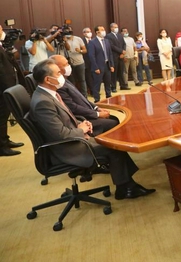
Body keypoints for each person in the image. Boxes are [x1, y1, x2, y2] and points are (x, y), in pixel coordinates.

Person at [29, 59, 155, 200]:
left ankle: (125, 185)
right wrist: (81, 131)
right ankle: (126, 188)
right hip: (67, 148)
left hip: (73, 137)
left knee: (112, 141)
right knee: (113, 147)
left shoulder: (49, 94)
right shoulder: (43, 102)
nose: (62, 74)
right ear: (48, 79)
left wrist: (82, 124)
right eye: (58, 73)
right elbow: (61, 135)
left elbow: (65, 118)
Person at [51, 55, 119, 136]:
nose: (69, 66)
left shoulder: (64, 80)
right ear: (57, 67)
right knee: (114, 122)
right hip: (83, 118)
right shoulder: (58, 86)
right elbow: (73, 107)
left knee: (114, 118)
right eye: (65, 64)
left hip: (89, 112)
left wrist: (96, 108)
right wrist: (97, 114)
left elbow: (82, 98)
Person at [0, 26, 24, 156]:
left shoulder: (2, 45)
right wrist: (7, 89)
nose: (2, 32)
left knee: (3, 118)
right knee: (1, 119)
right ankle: (2, 146)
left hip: (7, 86)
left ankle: (5, 140)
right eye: (0, 30)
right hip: (2, 89)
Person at [87, 25, 115, 103]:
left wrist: (112, 65)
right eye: (102, 30)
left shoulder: (106, 41)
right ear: (97, 32)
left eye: (104, 29)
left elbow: (110, 54)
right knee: (97, 84)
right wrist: (95, 67)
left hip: (107, 65)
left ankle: (109, 97)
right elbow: (91, 56)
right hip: (98, 67)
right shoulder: (92, 42)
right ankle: (97, 99)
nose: (104, 31)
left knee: (108, 82)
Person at [62, 28, 87, 97]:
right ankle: (75, 96)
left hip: (80, 63)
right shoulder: (63, 40)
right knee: (71, 82)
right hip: (69, 64)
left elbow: (85, 50)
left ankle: (84, 96)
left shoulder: (78, 39)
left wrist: (80, 51)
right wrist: (64, 41)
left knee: (82, 80)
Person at [105, 23, 129, 92]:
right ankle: (113, 87)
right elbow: (111, 46)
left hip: (121, 57)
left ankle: (123, 85)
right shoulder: (108, 36)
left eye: (117, 27)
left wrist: (123, 52)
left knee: (121, 72)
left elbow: (124, 44)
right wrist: (121, 51)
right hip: (114, 56)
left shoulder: (120, 35)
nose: (116, 28)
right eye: (115, 27)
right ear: (111, 28)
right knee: (114, 73)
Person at [81, 27, 94, 96]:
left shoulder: (94, 40)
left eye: (90, 31)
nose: (89, 33)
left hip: (94, 62)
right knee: (88, 77)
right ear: (84, 33)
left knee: (94, 77)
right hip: (86, 61)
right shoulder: (82, 41)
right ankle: (92, 91)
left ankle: (95, 90)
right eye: (87, 32)